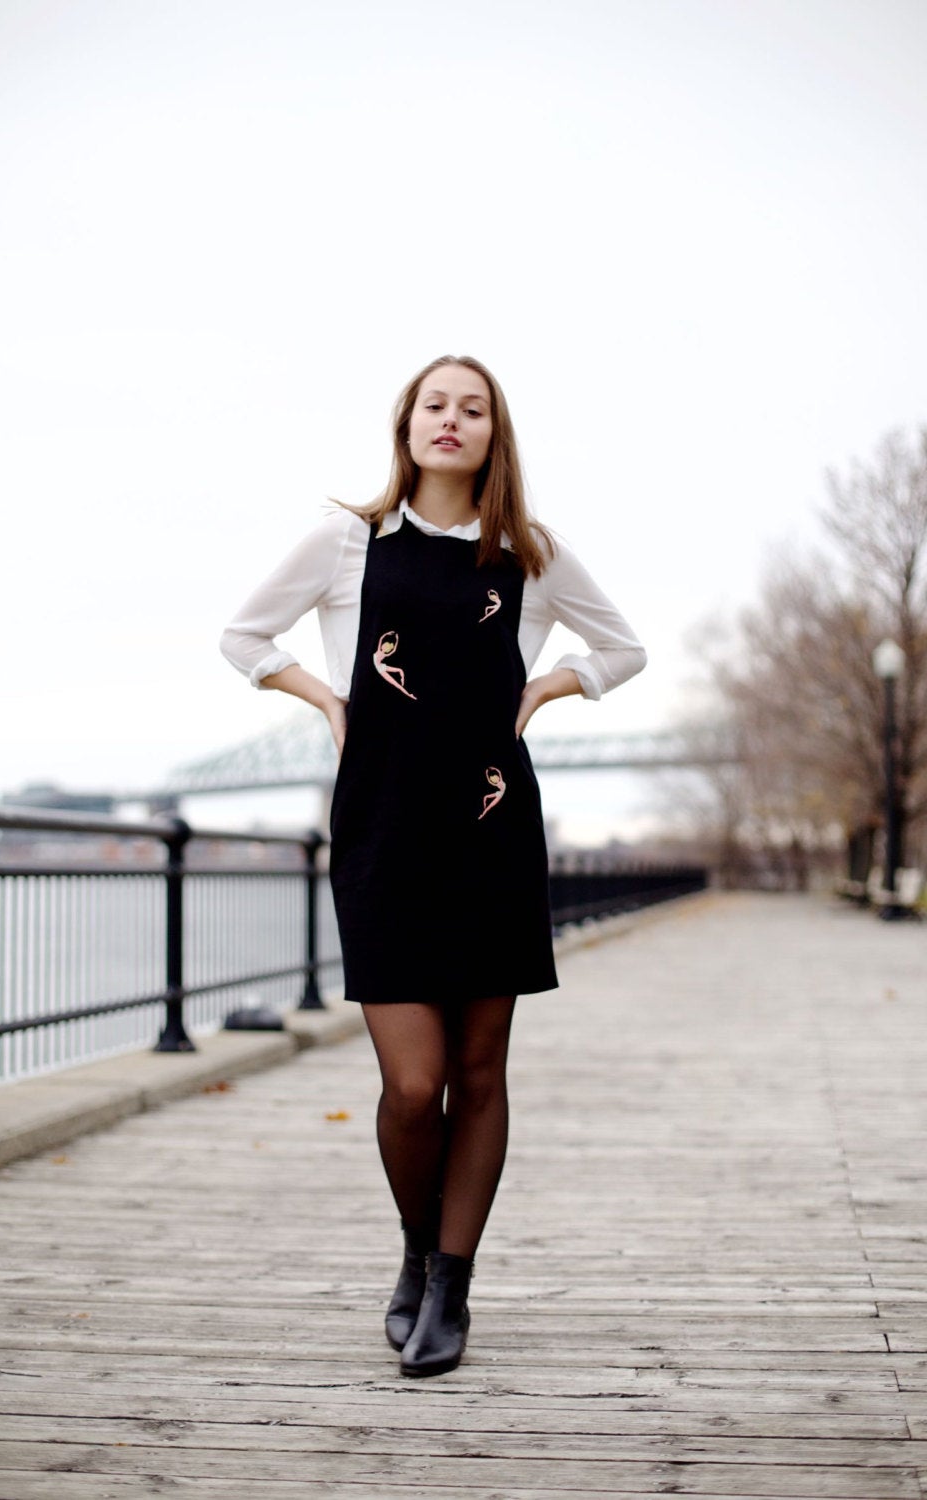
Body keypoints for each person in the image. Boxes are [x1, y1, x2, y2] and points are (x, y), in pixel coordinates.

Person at [219, 355, 646, 1376]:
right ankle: (416, 1248)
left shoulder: (529, 552)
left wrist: (546, 689)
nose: (450, 420)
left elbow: (624, 647)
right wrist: (323, 700)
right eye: (434, 405)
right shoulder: (344, 541)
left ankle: (449, 1286)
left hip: (493, 827)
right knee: (413, 1087)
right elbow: (241, 636)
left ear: (493, 436)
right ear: (405, 425)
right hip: (383, 830)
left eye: (473, 409)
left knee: (479, 1071)